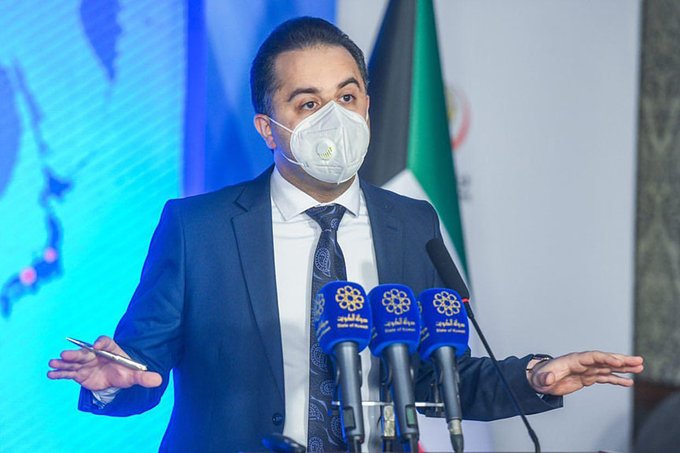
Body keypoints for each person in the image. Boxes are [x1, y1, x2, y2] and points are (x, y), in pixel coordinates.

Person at [47, 17, 644, 453]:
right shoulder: (197, 229)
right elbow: (139, 371)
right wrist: (111, 386)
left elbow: (437, 375)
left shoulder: (411, 223)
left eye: (347, 96)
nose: (335, 117)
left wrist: (534, 376)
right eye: (308, 104)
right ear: (268, 128)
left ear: (367, 106)